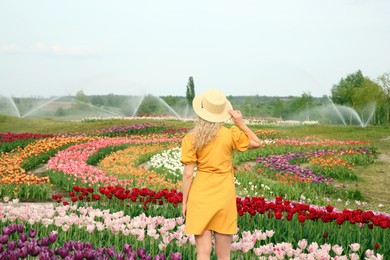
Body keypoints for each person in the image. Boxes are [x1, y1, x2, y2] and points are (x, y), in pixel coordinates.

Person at [180, 88, 261, 260]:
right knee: (224, 256)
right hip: (224, 195)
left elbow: (188, 174)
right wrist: (240, 123)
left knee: (203, 253)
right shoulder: (230, 134)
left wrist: (185, 202)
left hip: (200, 195)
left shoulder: (191, 139)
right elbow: (257, 142)